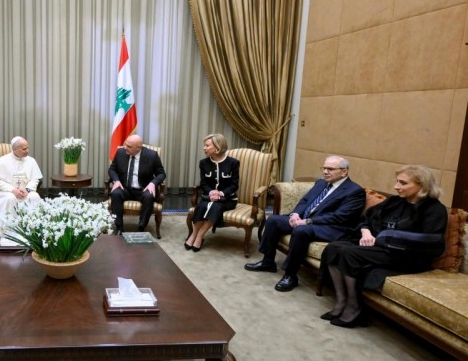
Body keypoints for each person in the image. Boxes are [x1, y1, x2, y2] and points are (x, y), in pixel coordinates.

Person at [320, 165, 447, 328]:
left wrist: (386, 238)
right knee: (333, 247)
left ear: (422, 185)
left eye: (403, 183)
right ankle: (341, 300)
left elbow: (431, 242)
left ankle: (354, 307)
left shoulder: (435, 210)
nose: (396, 186)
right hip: (380, 248)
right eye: (397, 181)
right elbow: (367, 219)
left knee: (349, 253)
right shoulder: (395, 201)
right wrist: (366, 232)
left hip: (408, 256)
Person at [244, 156, 365, 292]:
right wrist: (295, 214)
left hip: (331, 227)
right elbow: (305, 201)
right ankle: (268, 261)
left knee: (300, 230)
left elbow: (340, 217)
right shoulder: (321, 183)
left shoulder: (354, 191)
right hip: (306, 220)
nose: (325, 172)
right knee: (273, 220)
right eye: (324, 168)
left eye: (330, 169)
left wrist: (307, 221)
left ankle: (290, 275)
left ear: (344, 172)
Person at [185, 134, 239, 252]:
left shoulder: (233, 163)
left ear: (217, 147)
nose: (204, 148)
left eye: (207, 145)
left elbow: (234, 185)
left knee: (215, 207)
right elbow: (203, 183)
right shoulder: (203, 163)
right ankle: (193, 234)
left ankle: (200, 236)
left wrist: (221, 193)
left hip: (227, 199)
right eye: (204, 145)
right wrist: (211, 192)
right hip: (209, 197)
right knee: (202, 206)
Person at [108, 134, 166, 235]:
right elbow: (112, 169)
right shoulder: (121, 152)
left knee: (149, 196)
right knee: (115, 194)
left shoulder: (152, 155)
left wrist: (153, 183)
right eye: (125, 144)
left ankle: (141, 228)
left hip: (143, 188)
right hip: (124, 187)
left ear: (138, 148)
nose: (125, 148)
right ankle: (119, 228)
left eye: (129, 146)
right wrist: (116, 180)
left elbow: (161, 174)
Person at [0, 136, 43, 233]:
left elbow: (35, 179)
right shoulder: (2, 161)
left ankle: (33, 230)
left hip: (26, 191)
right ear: (14, 149)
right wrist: (13, 190)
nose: (27, 151)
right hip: (6, 192)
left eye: (27, 148)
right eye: (24, 149)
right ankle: (9, 231)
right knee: (10, 199)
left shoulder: (31, 161)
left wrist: (27, 189)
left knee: (34, 197)